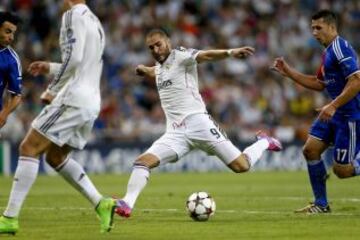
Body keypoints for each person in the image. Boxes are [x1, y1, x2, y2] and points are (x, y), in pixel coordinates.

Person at [113, 28, 283, 218]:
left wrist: (230, 52)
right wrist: (145, 70)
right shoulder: (160, 67)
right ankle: (127, 203)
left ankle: (264, 142)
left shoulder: (181, 55)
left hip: (199, 124)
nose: (155, 49)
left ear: (168, 42)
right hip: (175, 133)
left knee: (241, 166)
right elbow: (159, 71)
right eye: (150, 47)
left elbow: (206, 55)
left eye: (158, 44)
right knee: (142, 162)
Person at [0, 0, 116, 235]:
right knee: (55, 156)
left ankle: (9, 218)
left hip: (73, 98)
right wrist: (50, 67)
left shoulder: (72, 15)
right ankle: (101, 202)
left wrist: (52, 89)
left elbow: (74, 60)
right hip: (91, 101)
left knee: (29, 147)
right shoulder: (95, 21)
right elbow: (81, 62)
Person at [272, 10, 360, 213]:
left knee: (343, 171)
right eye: (312, 28)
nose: (314, 32)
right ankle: (321, 205)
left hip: (350, 116)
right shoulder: (328, 52)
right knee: (310, 150)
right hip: (335, 113)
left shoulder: (340, 49)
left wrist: (333, 105)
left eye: (318, 28)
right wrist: (289, 72)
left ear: (332, 27)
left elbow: (356, 81)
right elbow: (319, 83)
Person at [0, 11, 22, 131]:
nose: (12, 37)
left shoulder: (12, 59)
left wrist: (4, 114)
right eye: (8, 32)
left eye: (13, 33)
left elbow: (16, 96)